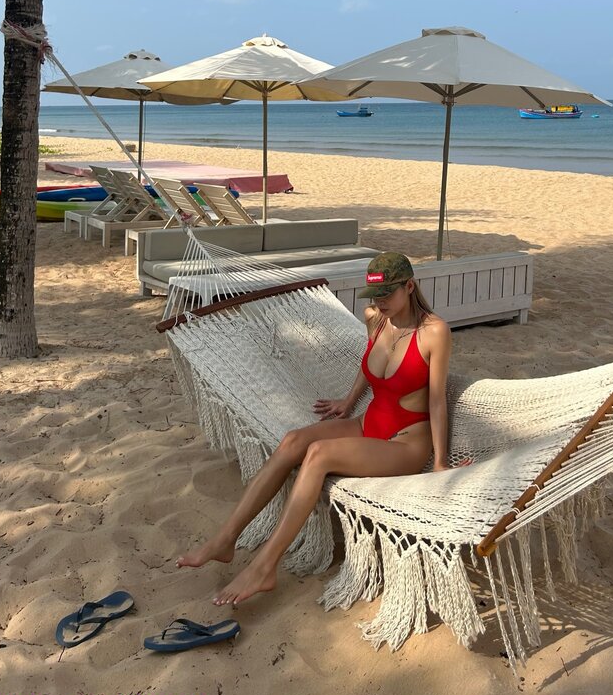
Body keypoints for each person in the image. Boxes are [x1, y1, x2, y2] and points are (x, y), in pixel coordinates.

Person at [176, 252, 453, 606]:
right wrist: (348, 400)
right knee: (293, 441)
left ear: (410, 286)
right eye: (375, 295)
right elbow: (369, 364)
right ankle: (225, 539)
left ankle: (264, 567)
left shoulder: (434, 332)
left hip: (405, 444)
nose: (380, 302)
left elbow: (437, 400)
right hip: (368, 424)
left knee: (318, 454)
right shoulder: (375, 318)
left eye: (387, 294)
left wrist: (440, 462)